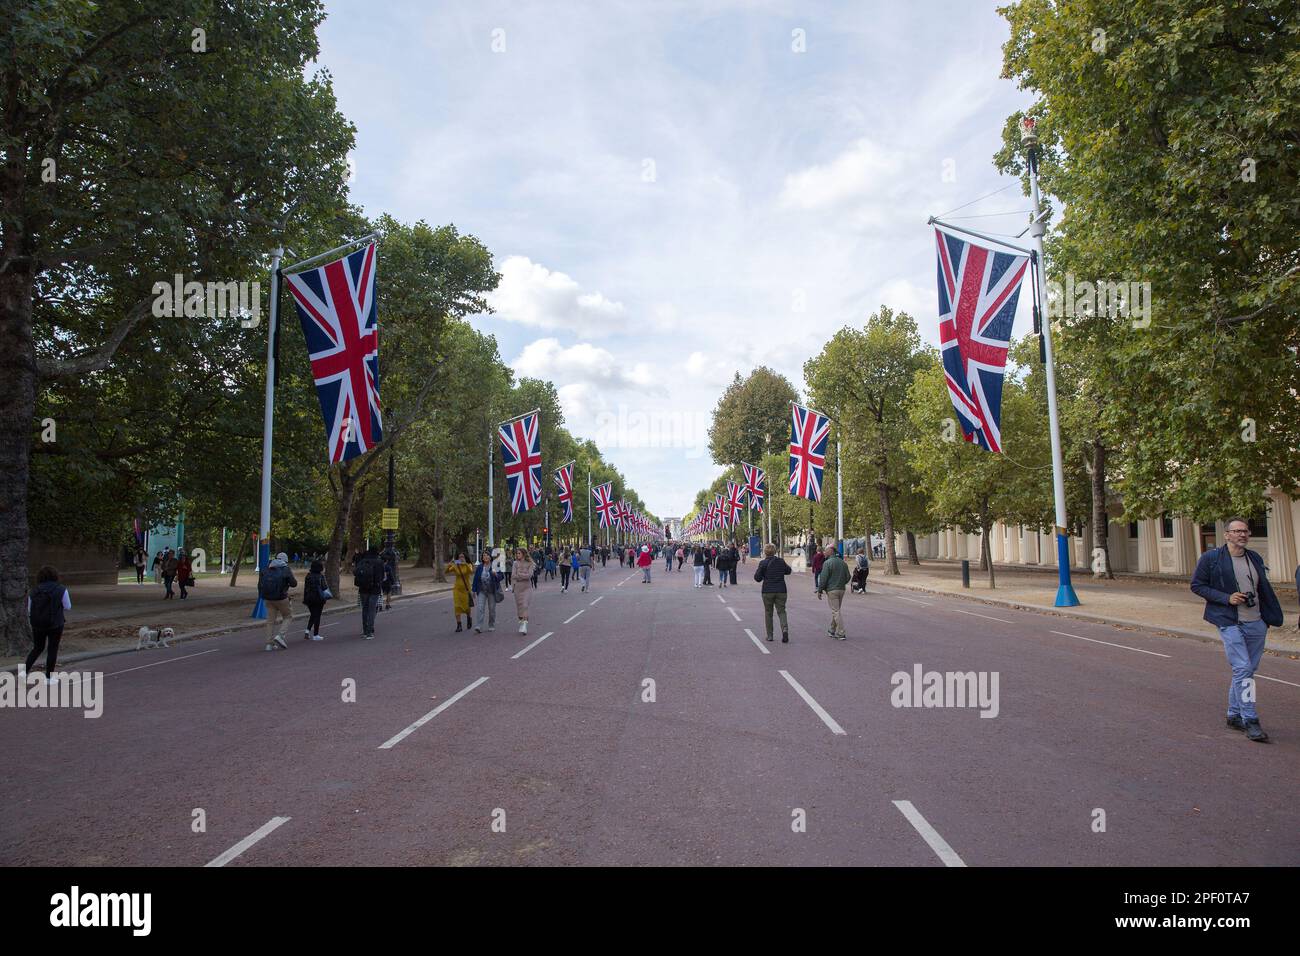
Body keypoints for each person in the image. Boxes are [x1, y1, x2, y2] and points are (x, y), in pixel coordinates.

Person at [1191, 516, 1284, 743]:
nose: (1243, 535)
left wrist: (1265, 620)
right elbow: (1197, 586)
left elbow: (1262, 589)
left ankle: (1234, 715)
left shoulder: (1254, 557)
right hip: (1229, 620)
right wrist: (1226, 598)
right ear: (1227, 535)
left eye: (1245, 531)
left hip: (1256, 622)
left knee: (1247, 670)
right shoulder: (1211, 558)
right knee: (1243, 667)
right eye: (1237, 531)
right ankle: (1250, 719)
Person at [27, 565, 71, 682]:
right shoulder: (61, 589)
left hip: (37, 624)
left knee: (37, 648)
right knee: (52, 649)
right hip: (55, 623)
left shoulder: (34, 590)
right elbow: (68, 606)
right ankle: (48, 677)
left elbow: (29, 609)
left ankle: (24, 672)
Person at [258, 552, 298, 651]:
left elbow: (260, 584)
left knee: (270, 621)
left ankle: (269, 644)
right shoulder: (286, 569)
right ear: (285, 561)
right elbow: (294, 584)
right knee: (288, 616)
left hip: (268, 598)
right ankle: (280, 636)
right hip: (281, 598)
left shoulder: (266, 568)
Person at [754, 544, 792, 642]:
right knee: (782, 611)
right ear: (775, 551)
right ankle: (784, 629)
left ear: (765, 552)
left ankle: (770, 635)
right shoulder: (780, 561)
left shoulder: (763, 563)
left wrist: (763, 574)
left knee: (768, 613)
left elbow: (757, 578)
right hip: (781, 590)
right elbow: (788, 571)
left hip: (768, 590)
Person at [816, 545, 850, 641]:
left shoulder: (827, 563)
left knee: (835, 611)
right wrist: (841, 583)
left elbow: (823, 578)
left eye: (826, 551)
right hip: (841, 589)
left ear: (830, 551)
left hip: (832, 590)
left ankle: (841, 632)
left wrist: (820, 590)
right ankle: (832, 629)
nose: (824, 553)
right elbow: (848, 576)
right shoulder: (843, 563)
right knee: (837, 610)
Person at [353, 546, 385, 641]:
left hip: (363, 589)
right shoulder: (379, 562)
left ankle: (364, 630)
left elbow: (356, 572)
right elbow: (382, 576)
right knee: (372, 609)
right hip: (375, 589)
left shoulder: (362, 561)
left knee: (365, 609)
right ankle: (369, 631)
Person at [472, 550, 502, 632]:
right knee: (480, 608)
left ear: (490, 557)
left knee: (491, 609)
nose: (485, 557)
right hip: (481, 590)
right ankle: (479, 625)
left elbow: (501, 577)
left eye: (487, 555)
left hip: (492, 591)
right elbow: (475, 579)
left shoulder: (494, 566)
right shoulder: (480, 567)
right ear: (482, 558)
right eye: (484, 555)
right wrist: (474, 590)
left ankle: (491, 624)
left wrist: (496, 574)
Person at [445, 552, 474, 631]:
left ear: (465, 558)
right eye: (460, 557)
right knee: (457, 607)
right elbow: (446, 571)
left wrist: (465, 564)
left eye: (463, 557)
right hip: (457, 590)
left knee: (467, 607)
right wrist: (450, 563)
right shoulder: (456, 566)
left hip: (466, 590)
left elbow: (471, 572)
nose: (461, 558)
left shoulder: (468, 565)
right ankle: (459, 625)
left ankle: (469, 618)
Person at [302, 559, 330, 640]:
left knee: (313, 614)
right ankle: (315, 634)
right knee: (317, 615)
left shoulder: (308, 576)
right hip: (319, 598)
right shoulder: (321, 576)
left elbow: (306, 588)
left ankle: (307, 630)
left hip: (309, 598)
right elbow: (324, 587)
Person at [512, 548, 534, 634]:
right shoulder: (515, 563)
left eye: (519, 553)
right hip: (517, 588)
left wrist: (520, 574)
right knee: (519, 608)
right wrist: (521, 576)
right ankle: (521, 622)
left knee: (525, 605)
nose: (517, 555)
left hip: (527, 587)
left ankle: (525, 625)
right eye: (517, 553)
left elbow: (529, 575)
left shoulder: (530, 563)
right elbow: (513, 575)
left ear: (524, 554)